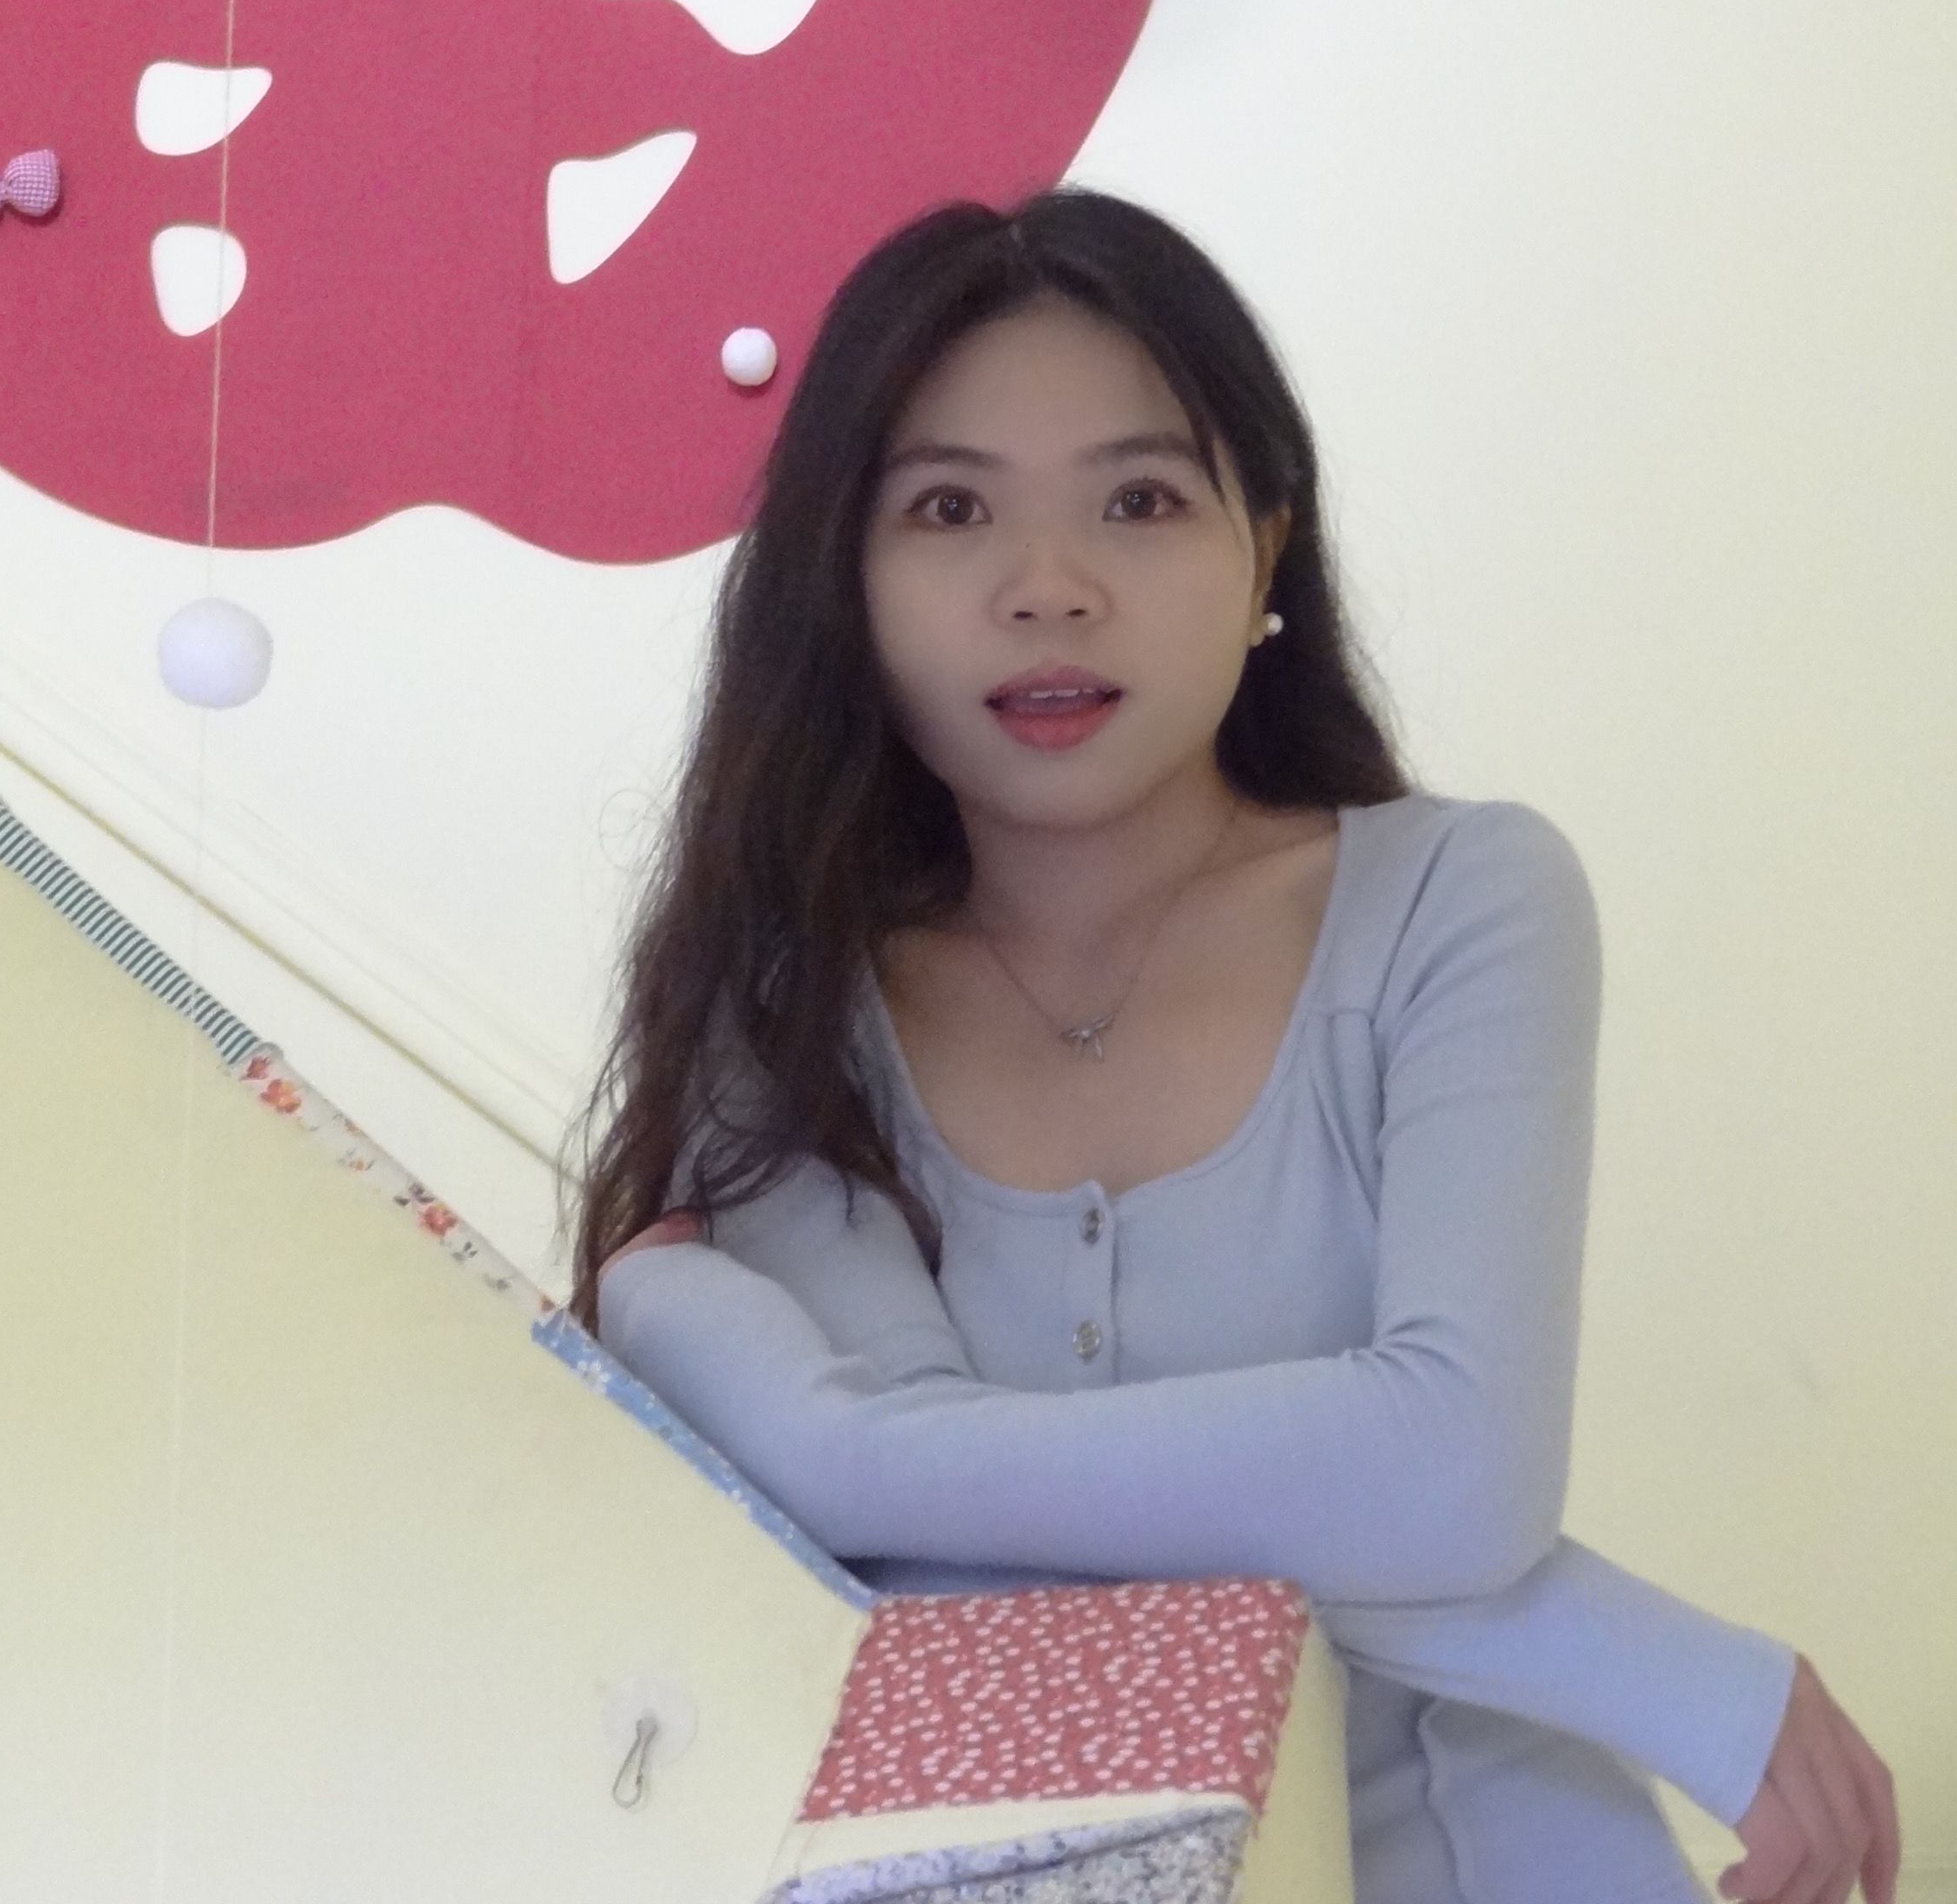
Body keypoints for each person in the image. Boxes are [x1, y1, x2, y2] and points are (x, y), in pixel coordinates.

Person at [580, 190, 1898, 1904]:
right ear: (847, 577)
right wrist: (1640, 1660)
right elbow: (947, 1591)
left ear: (1266, 549)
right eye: (950, 507)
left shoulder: (1460, 901)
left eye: (1139, 498)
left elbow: (1453, 1472)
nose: (1048, 589)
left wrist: (836, 1447)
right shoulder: (780, 994)